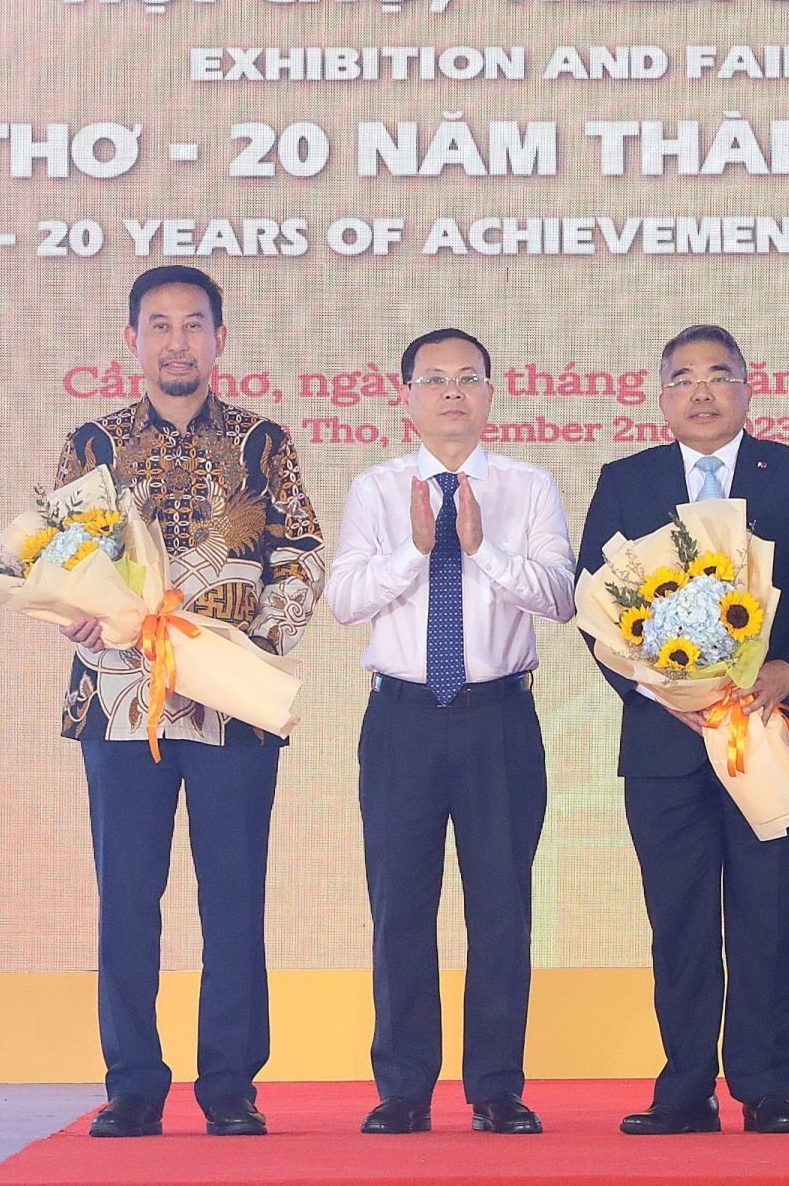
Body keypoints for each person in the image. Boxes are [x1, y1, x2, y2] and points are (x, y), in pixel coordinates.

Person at [54, 264, 325, 1139]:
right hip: (121, 701)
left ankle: (230, 1085)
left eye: (194, 324)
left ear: (220, 339)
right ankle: (133, 1081)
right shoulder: (90, 443)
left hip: (230, 697)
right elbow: (60, 558)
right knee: (127, 895)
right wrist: (80, 616)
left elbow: (304, 553)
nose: (178, 340)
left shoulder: (262, 442)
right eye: (160, 325)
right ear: (133, 341)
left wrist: (248, 636)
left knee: (233, 893)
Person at [578, 324, 789, 1135]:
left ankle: (768, 1085)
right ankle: (685, 1085)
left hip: (767, 729)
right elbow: (594, 607)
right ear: (661, 397)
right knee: (680, 918)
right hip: (665, 741)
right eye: (683, 378)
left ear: (747, 387)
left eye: (718, 375)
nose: (701, 391)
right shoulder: (625, 480)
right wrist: (653, 688)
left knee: (771, 913)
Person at [326, 328, 576, 1136]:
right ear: (406, 398)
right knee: (400, 905)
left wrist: (480, 546)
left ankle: (496, 1086)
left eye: (468, 377)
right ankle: (402, 1087)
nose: (452, 392)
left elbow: (560, 597)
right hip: (401, 718)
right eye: (433, 379)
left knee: (501, 907)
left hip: (498, 715)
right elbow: (345, 598)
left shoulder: (529, 486)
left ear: (491, 392)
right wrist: (417, 548)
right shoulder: (376, 487)